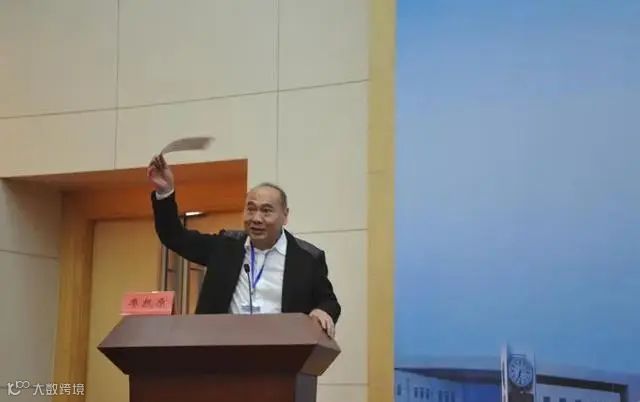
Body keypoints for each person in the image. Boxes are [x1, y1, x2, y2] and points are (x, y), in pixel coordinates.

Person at [147, 154, 341, 337]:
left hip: (282, 351)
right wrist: (165, 192)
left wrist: (322, 310)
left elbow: (329, 301)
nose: (256, 218)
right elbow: (174, 236)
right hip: (222, 348)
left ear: (285, 215)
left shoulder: (307, 258)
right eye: (251, 209)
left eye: (266, 211)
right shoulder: (225, 246)